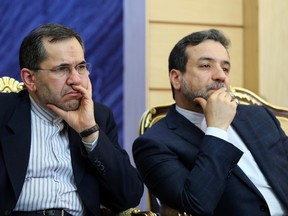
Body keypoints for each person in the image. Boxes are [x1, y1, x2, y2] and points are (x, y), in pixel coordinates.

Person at [132, 29, 288, 216]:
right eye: (206, 66)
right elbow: (196, 205)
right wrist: (217, 129)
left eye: (225, 68)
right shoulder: (154, 144)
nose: (220, 76)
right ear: (176, 78)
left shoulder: (260, 117)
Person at [0, 23, 143, 216]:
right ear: (30, 79)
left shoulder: (98, 117)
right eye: (62, 69)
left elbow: (129, 196)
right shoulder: (4, 112)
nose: (75, 79)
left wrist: (89, 132)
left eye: (81, 67)